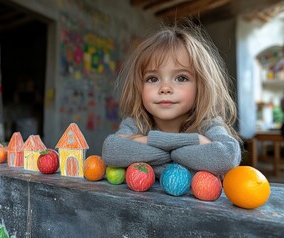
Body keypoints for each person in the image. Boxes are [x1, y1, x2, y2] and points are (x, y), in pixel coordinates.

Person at [102, 20, 242, 178]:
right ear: (139, 86)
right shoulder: (137, 122)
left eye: (181, 78)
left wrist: (146, 142)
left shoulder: (208, 123)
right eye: (153, 79)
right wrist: (195, 142)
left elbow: (227, 156)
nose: (165, 88)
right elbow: (111, 150)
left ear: (201, 85)